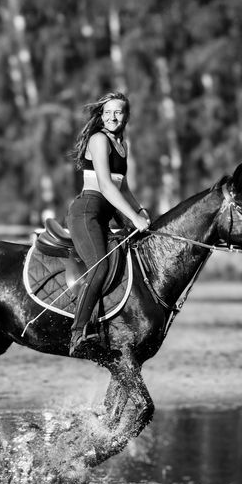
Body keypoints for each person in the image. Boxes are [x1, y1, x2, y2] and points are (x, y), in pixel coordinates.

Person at [66, 91, 151, 358]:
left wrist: (140, 210)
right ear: (101, 115)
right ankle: (78, 332)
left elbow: (121, 187)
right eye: (108, 112)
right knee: (100, 266)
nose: (113, 117)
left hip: (107, 214)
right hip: (88, 210)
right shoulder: (99, 139)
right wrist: (133, 218)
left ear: (126, 115)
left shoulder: (121, 144)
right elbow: (105, 185)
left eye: (119, 112)